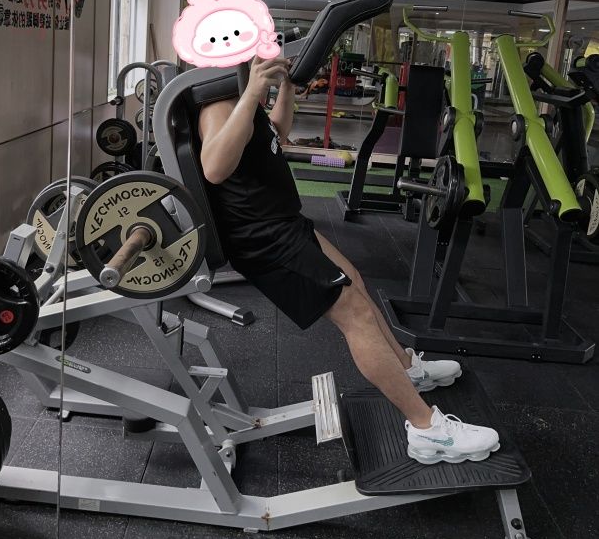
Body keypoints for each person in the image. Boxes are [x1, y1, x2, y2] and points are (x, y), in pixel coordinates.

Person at [198, 55, 499, 465]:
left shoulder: (236, 96)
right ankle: (428, 431)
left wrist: (286, 88)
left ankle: (406, 368)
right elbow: (215, 168)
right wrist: (252, 91)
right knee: (355, 315)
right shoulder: (217, 103)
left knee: (354, 280)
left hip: (282, 221)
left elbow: (276, 133)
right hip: (264, 238)